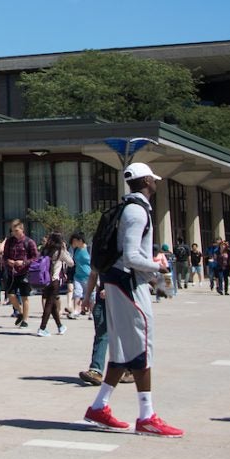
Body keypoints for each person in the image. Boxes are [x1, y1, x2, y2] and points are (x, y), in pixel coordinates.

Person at [82, 163, 183, 437]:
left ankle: (100, 406)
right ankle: (146, 415)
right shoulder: (137, 212)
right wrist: (157, 267)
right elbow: (131, 256)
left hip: (116, 283)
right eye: (154, 180)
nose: (156, 184)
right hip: (128, 285)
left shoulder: (129, 209)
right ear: (147, 180)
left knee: (122, 350)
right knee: (141, 347)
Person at [2, 219, 39, 329]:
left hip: (24, 272)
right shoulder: (9, 241)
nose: (15, 233)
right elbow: (4, 256)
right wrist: (8, 261)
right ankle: (21, 311)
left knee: (24, 296)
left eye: (17, 230)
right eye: (13, 231)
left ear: (22, 230)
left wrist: (23, 262)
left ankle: (25, 320)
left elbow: (35, 257)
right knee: (10, 295)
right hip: (12, 272)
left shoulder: (29, 242)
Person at [36, 232, 73, 337]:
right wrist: (65, 250)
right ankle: (42, 328)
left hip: (44, 280)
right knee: (49, 304)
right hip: (54, 280)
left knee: (51, 305)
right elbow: (71, 263)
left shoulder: (44, 250)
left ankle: (60, 326)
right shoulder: (60, 251)